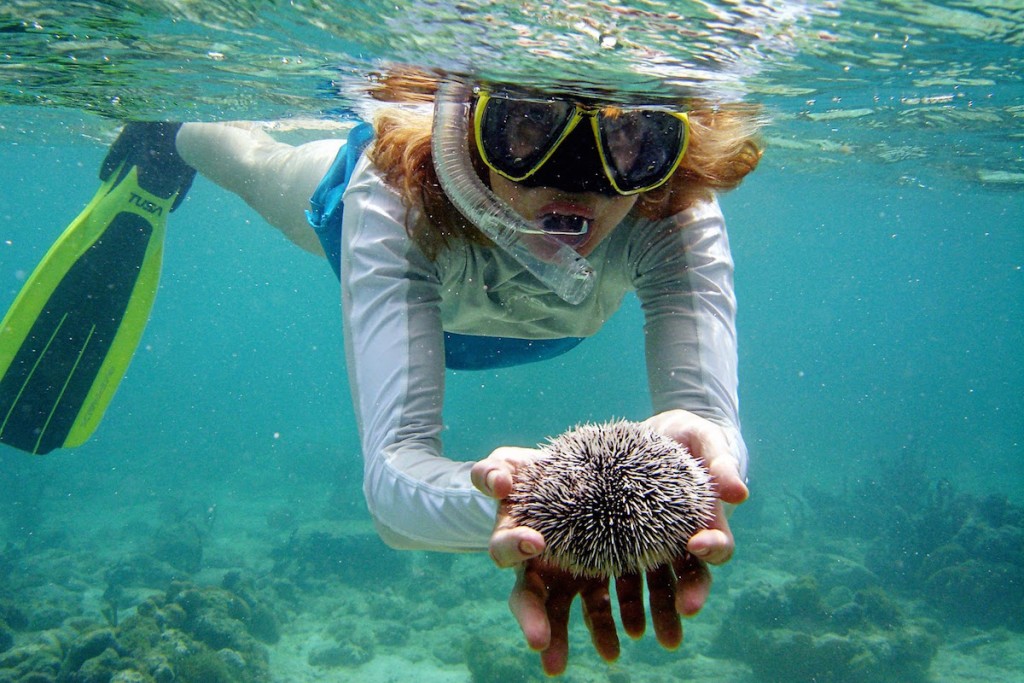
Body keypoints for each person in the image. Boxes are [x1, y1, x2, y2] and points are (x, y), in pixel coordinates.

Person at [135, 70, 760, 674]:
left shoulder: (670, 208)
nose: (578, 179)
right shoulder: (393, 196)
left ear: (665, 150)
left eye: (629, 138)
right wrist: (535, 509)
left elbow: (709, 428)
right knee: (255, 167)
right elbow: (391, 481)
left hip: (526, 331)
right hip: (357, 222)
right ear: (469, 129)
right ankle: (168, 133)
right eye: (530, 126)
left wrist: (687, 472)